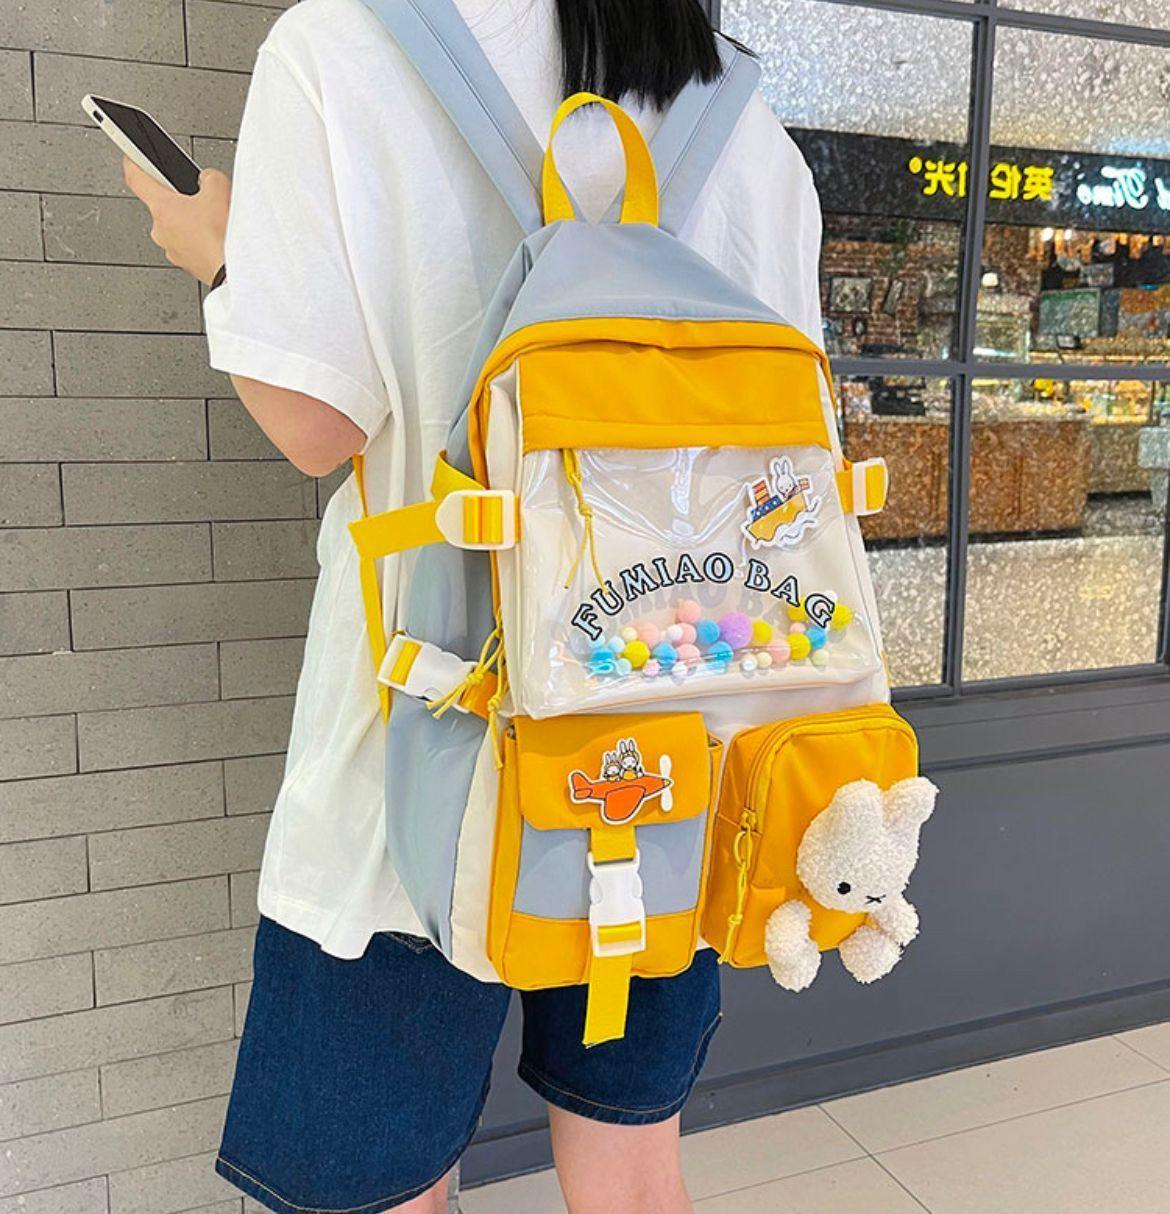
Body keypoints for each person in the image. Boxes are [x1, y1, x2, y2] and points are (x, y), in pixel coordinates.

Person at [125, 1, 823, 1210]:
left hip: (420, 758)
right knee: (634, 1174)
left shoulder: (342, 52)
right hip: (672, 748)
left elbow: (315, 425)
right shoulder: (743, 121)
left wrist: (223, 255)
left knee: (385, 1189)